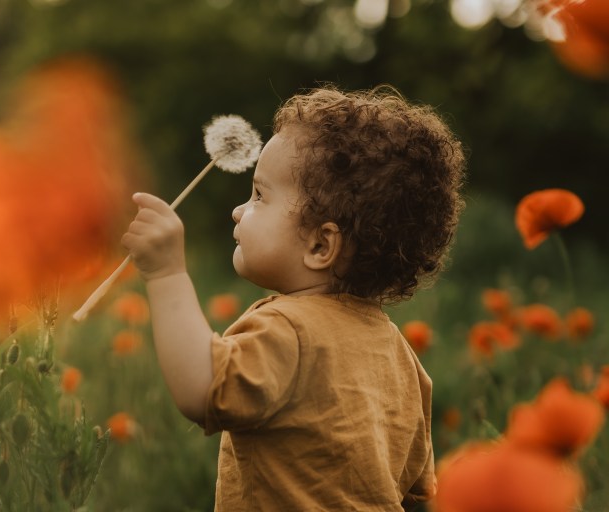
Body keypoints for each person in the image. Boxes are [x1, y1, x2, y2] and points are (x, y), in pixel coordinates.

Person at [120, 84, 466, 511]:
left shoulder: (288, 331)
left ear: (321, 246)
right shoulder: (399, 355)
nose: (238, 211)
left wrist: (166, 273)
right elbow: (416, 491)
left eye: (259, 196)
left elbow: (202, 389)